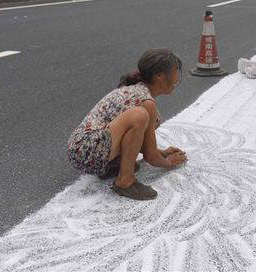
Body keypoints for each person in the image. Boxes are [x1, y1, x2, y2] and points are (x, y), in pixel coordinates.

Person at [67, 48, 187, 200]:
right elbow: (150, 156)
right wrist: (167, 162)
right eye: (176, 70)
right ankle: (125, 181)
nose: (178, 76)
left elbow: (139, 139)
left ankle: (113, 167)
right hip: (86, 150)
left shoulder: (138, 90)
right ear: (160, 76)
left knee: (152, 118)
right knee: (140, 115)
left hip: (87, 150)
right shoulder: (145, 100)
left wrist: (160, 153)